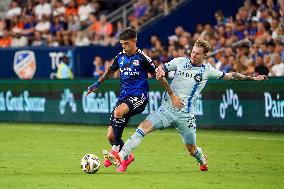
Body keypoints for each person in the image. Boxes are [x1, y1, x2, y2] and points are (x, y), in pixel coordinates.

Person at [104, 39, 267, 172]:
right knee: (142, 128)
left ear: (205, 55)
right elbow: (161, 68)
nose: (193, 55)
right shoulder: (180, 61)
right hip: (166, 110)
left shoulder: (207, 70)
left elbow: (231, 76)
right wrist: (160, 71)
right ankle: (121, 155)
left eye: (197, 54)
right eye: (193, 52)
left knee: (192, 149)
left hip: (185, 116)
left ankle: (202, 160)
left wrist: (253, 79)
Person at [86, 27, 181, 169]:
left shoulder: (142, 58)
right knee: (110, 136)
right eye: (122, 44)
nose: (123, 46)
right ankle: (127, 157)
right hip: (123, 98)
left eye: (126, 43)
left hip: (139, 97)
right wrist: (96, 84)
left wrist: (172, 95)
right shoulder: (120, 57)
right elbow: (109, 72)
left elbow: (159, 76)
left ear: (134, 41)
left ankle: (116, 150)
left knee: (118, 113)